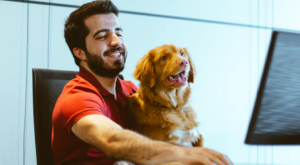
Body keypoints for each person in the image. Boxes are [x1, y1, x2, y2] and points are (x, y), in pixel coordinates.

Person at [52, 0, 233, 165]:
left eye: (118, 33)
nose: (116, 41)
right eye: (102, 36)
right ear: (80, 53)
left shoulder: (132, 91)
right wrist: (181, 154)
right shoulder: (77, 97)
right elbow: (113, 140)